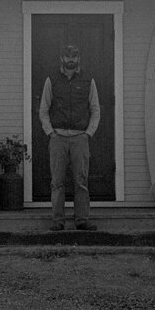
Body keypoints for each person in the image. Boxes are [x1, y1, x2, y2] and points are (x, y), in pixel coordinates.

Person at [38, 44, 100, 231]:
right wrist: (51, 132)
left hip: (80, 138)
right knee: (57, 182)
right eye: (67, 57)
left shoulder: (89, 81)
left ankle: (82, 220)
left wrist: (88, 133)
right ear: (62, 59)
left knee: (81, 181)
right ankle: (58, 222)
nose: (71, 60)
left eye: (74, 56)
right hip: (58, 138)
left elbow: (95, 110)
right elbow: (43, 110)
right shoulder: (52, 80)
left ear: (79, 59)